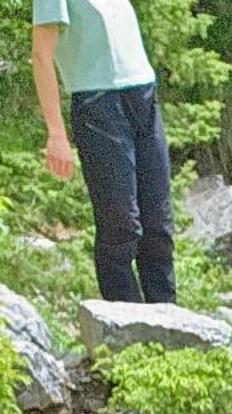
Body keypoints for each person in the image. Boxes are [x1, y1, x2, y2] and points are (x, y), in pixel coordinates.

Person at [30, 0, 176, 303]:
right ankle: (126, 326)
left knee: (158, 224)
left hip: (144, 95)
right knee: (120, 224)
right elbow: (41, 57)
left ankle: (167, 318)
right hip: (97, 105)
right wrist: (56, 134)